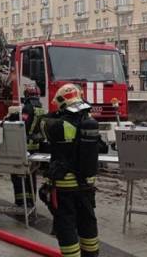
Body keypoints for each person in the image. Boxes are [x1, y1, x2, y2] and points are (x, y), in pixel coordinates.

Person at [40, 84, 100, 257]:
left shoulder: (59, 125)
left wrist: (59, 112)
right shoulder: (89, 123)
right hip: (87, 184)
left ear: (62, 102)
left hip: (65, 186)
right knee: (87, 222)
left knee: (65, 225)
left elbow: (43, 124)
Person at [9, 84, 45, 207]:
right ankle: (31, 200)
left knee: (18, 174)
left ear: (27, 95)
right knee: (31, 175)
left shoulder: (28, 108)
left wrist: (13, 117)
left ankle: (21, 201)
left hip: (24, 145)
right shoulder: (40, 107)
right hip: (35, 146)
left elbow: (22, 123)